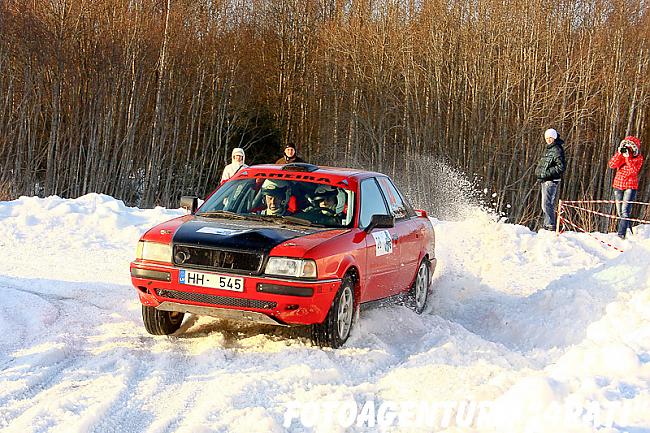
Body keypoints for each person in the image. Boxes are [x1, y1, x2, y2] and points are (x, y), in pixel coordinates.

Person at [608, 136, 644, 239]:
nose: (627, 149)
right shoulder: (622, 156)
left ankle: (621, 234)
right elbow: (612, 164)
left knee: (625, 211)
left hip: (630, 186)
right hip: (618, 185)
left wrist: (628, 158)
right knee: (620, 212)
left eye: (630, 148)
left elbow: (633, 171)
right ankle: (629, 231)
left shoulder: (638, 158)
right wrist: (619, 153)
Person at [534, 128, 566, 231]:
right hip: (545, 180)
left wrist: (546, 173)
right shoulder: (549, 149)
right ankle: (547, 223)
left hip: (551, 180)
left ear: (554, 138)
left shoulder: (556, 149)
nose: (548, 140)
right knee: (545, 204)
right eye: (547, 138)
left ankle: (550, 225)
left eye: (550, 138)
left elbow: (561, 167)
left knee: (547, 203)